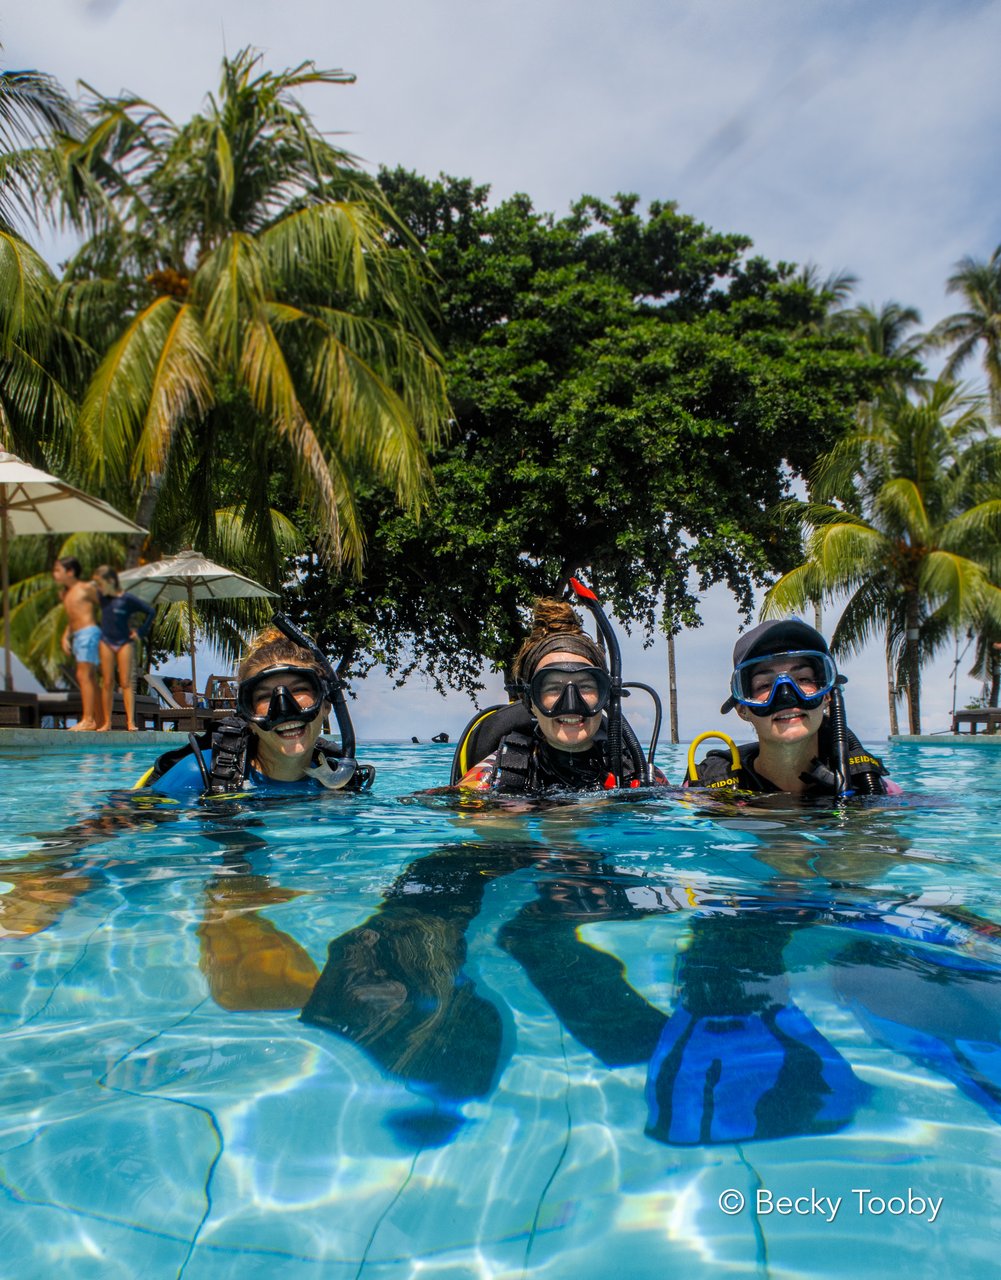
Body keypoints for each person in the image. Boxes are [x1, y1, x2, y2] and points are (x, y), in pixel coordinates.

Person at [139, 617, 374, 798]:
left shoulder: (340, 784)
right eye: (263, 696)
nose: (283, 707)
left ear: (325, 705)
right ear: (247, 716)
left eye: (299, 690)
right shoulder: (199, 776)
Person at [454, 596, 665, 794]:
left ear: (605, 696)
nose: (571, 703)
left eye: (585, 686)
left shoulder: (637, 774)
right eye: (553, 688)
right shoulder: (495, 777)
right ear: (531, 702)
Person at [685, 618, 894, 796]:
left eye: (803, 679)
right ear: (742, 708)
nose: (786, 696)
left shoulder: (869, 787)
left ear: (828, 694)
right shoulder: (709, 791)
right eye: (765, 685)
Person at [91, 565, 156, 732]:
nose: (99, 587)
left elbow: (150, 612)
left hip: (124, 642)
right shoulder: (101, 597)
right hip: (106, 641)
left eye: (101, 583)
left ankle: (130, 722)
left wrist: (141, 631)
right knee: (107, 682)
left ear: (111, 581)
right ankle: (106, 722)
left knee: (126, 682)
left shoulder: (127, 599)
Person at [52, 556, 101, 732]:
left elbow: (106, 603)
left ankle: (88, 720)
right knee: (89, 678)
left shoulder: (85, 588)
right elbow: (72, 618)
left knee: (84, 676)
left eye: (58, 570)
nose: (54, 574)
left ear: (70, 571)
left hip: (89, 633)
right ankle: (99, 720)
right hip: (79, 635)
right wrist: (65, 636)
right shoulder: (66, 593)